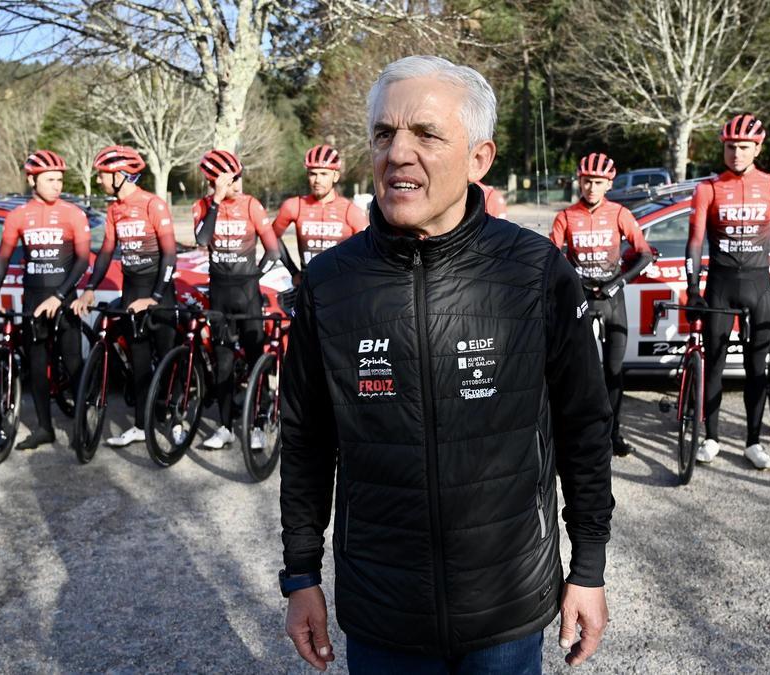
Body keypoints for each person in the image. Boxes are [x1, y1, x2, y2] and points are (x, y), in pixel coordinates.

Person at [280, 55, 614, 673]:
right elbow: (305, 441)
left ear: (479, 159)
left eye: (426, 134)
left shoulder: (535, 271)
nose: (398, 153)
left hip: (505, 613)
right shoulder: (329, 284)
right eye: (384, 133)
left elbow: (584, 427)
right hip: (383, 616)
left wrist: (587, 567)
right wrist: (300, 573)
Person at [685, 113, 770, 470]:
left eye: (744, 147)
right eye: (731, 146)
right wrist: (693, 289)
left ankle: (754, 442)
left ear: (757, 147)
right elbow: (695, 244)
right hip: (720, 285)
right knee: (713, 366)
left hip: (759, 285)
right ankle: (711, 437)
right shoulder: (708, 189)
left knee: (756, 368)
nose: (737, 153)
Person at [0, 150, 90, 450]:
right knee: (37, 366)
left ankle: (81, 427)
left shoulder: (73, 213)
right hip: (33, 299)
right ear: (32, 179)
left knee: (73, 362)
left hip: (64, 297)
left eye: (59, 179)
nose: (57, 185)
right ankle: (44, 428)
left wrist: (58, 296)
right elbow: (1, 261)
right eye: (50, 179)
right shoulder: (18, 216)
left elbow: (82, 262)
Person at [72, 145, 177, 448]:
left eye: (103, 176)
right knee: (139, 363)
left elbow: (170, 255)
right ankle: (143, 425)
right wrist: (90, 288)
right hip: (132, 290)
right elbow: (105, 252)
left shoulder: (152, 204)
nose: (99, 182)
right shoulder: (114, 209)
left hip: (159, 292)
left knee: (168, 359)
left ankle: (176, 419)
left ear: (120, 176)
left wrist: (155, 297)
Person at [551, 152, 655, 457]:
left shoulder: (620, 213)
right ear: (579, 181)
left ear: (608, 183)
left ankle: (614, 434)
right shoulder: (566, 216)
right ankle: (578, 434)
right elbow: (553, 258)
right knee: (580, 372)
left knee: (613, 371)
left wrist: (618, 282)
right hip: (582, 302)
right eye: (586, 181)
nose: (591, 188)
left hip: (613, 300)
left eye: (597, 182)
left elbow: (645, 253)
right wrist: (575, 284)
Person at [193, 149, 281, 450]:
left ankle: (258, 424)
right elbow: (202, 240)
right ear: (214, 182)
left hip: (248, 294)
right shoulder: (202, 206)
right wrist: (216, 202)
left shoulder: (252, 205)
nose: (237, 185)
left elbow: (273, 251)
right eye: (230, 180)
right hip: (219, 294)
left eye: (238, 178)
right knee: (223, 364)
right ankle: (225, 426)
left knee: (257, 358)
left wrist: (254, 276)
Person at [272, 144, 367, 274]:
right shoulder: (294, 206)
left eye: (324, 174)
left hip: (341, 284)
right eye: (313, 174)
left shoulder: (351, 211)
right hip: (307, 282)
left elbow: (370, 249)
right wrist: (293, 272)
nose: (317, 180)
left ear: (335, 176)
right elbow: (271, 237)